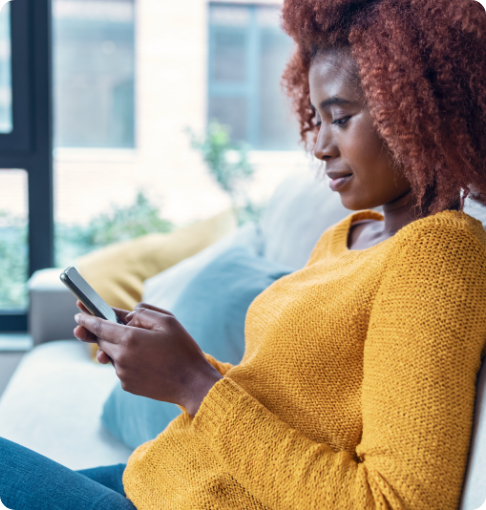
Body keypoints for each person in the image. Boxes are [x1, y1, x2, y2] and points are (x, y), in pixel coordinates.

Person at [2, 0, 486, 508]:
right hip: (168, 477)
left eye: (340, 118)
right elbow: (292, 401)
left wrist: (194, 383)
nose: (320, 145)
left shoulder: (440, 255)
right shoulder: (347, 236)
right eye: (314, 118)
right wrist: (176, 360)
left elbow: (394, 502)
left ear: (420, 110)